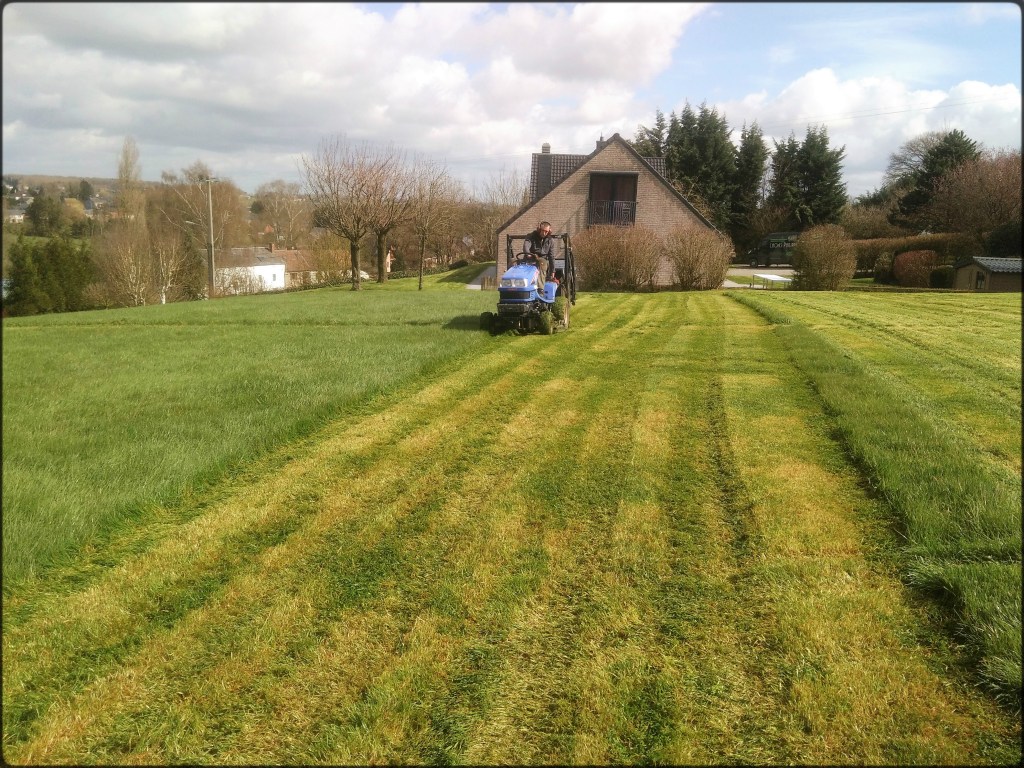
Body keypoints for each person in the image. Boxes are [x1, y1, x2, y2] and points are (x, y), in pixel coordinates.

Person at [522, 221, 555, 291]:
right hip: (530, 258)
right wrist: (527, 253)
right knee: (513, 262)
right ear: (539, 229)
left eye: (546, 231)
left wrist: (553, 271)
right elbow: (526, 246)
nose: (544, 233)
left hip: (542, 261)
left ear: (549, 231)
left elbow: (551, 256)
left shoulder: (550, 241)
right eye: (543, 231)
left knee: (542, 262)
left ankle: (540, 289)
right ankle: (513, 286)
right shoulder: (530, 236)